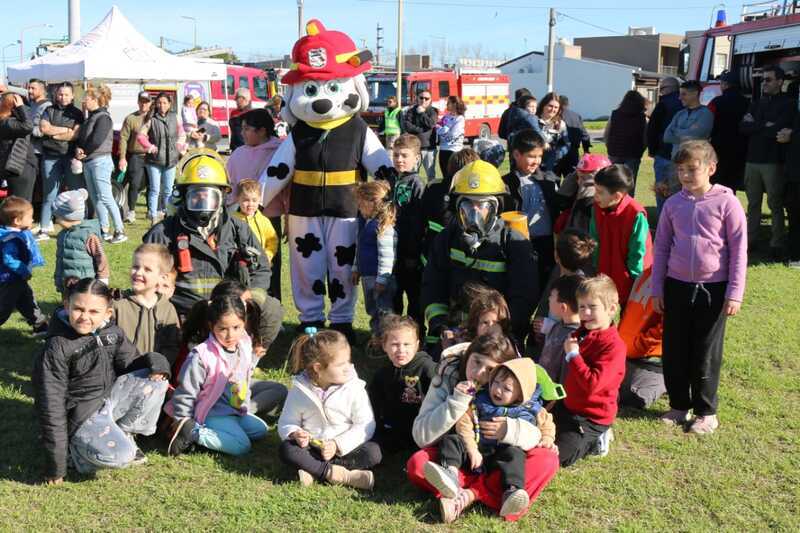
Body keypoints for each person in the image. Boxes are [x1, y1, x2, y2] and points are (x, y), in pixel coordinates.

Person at [407, 331, 559, 523]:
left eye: (489, 370)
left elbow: (541, 426)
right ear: (468, 355)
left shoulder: (518, 382)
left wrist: (510, 430)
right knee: (418, 464)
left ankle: (468, 495)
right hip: (462, 458)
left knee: (547, 460)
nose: (479, 373)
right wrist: (457, 401)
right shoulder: (448, 374)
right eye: (476, 362)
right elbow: (421, 437)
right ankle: (475, 490)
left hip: (501, 463)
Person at [33, 278, 171, 484]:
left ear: (107, 313)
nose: (84, 317)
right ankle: (76, 454)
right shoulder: (57, 347)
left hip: (109, 399)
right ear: (66, 305)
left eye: (94, 312)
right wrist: (56, 466)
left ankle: (124, 434)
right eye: (78, 309)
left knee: (157, 383)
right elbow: (51, 406)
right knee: (122, 457)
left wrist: (157, 362)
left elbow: (131, 364)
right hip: (81, 414)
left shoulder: (112, 332)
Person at [652, 140, 747, 434]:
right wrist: (658, 289)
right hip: (676, 286)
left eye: (692, 169)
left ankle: (706, 411)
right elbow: (662, 248)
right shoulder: (672, 204)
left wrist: (734, 292)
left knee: (705, 351)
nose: (685, 176)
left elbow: (739, 250)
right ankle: (680, 405)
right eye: (680, 170)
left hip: (714, 290)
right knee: (675, 348)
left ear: (711, 168)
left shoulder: (727, 202)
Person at [143, 150, 282, 331]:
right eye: (196, 196)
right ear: (183, 197)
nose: (203, 202)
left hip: (228, 313)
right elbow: (145, 275)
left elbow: (261, 268)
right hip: (181, 315)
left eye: (210, 196)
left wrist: (249, 298)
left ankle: (252, 352)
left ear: (223, 196)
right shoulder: (164, 232)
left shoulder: (238, 230)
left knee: (271, 308)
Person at [421, 160, 538, 350]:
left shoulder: (513, 243)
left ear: (496, 208)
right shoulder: (447, 238)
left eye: (482, 205)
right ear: (457, 208)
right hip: (454, 332)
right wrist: (441, 326)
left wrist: (499, 329)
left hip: (497, 335)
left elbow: (524, 297)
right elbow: (432, 284)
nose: (474, 212)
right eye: (467, 205)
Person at [278, 328, 381, 489]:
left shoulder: (354, 387)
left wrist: (337, 445)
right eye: (340, 364)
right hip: (313, 448)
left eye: (348, 361)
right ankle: (343, 476)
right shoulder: (300, 390)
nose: (348, 367)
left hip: (344, 450)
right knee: (287, 449)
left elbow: (365, 424)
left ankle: (312, 470)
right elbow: (287, 421)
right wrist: (295, 433)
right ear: (318, 368)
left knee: (373, 452)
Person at [166, 295, 268, 457]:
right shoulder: (202, 355)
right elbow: (186, 392)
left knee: (261, 430)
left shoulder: (244, 344)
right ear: (211, 326)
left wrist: (244, 407)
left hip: (235, 411)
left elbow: (245, 379)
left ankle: (223, 432)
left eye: (236, 327)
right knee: (242, 445)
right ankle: (193, 433)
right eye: (223, 329)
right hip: (212, 413)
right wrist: (182, 421)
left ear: (244, 323)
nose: (230, 335)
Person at [556, 275, 626, 466]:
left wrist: (573, 356)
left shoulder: (614, 347)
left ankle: (597, 439)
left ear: (611, 309)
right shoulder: (582, 333)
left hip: (591, 417)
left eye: (592, 307)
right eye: (581, 307)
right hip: (569, 405)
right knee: (538, 434)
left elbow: (593, 385)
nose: (585, 313)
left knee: (561, 457)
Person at [225, 109, 284, 301]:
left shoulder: (280, 151)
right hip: (238, 217)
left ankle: (271, 305)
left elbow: (287, 187)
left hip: (268, 217)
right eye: (242, 128)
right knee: (240, 265)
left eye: (247, 129)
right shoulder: (238, 153)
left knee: (269, 265)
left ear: (262, 131)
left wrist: (290, 215)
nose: (242, 133)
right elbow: (230, 185)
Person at [740, 65, 796, 259]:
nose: (764, 83)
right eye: (763, 79)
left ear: (780, 82)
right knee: (753, 203)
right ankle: (750, 240)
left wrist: (757, 125)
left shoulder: (788, 104)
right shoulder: (756, 103)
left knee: (775, 203)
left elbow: (776, 130)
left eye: (769, 79)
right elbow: (743, 127)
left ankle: (776, 243)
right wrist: (765, 126)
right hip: (752, 160)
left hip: (773, 161)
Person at [367, 314, 436, 452]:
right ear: (384, 346)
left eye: (407, 344)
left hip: (423, 431)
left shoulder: (427, 368)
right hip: (393, 429)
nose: (401, 350)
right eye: (394, 344)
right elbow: (373, 403)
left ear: (417, 345)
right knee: (372, 449)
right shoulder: (383, 374)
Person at [590, 164, 652, 308]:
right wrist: (595, 265)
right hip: (603, 273)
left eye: (599, 192)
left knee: (627, 318)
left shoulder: (635, 214)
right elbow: (594, 239)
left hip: (630, 278)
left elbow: (638, 251)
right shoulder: (597, 208)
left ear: (617, 195)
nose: (595, 195)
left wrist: (635, 280)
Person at [503, 129, 560, 282]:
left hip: (546, 243)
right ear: (516, 155)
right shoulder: (505, 184)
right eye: (531, 156)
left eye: (539, 156)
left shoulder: (548, 180)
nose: (536, 161)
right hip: (519, 243)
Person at [112, 243, 180, 366]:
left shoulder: (167, 309)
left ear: (162, 277)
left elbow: (172, 346)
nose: (138, 272)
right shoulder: (118, 305)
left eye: (147, 269)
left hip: (157, 377)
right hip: (123, 375)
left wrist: (161, 366)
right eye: (135, 267)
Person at [75, 84, 127, 243]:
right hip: (89, 161)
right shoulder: (90, 117)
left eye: (87, 98)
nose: (84, 101)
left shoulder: (104, 117)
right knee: (96, 197)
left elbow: (97, 139)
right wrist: (79, 150)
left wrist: (83, 152)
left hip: (100, 161)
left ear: (96, 100)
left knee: (105, 196)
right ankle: (104, 230)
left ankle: (120, 230)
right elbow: (83, 138)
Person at [420, 148, 479, 270]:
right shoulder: (472, 194)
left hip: (431, 252)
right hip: (458, 259)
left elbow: (422, 218)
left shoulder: (433, 186)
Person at [390, 134, 426, 331]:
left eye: (404, 155)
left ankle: (416, 334)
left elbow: (418, 223)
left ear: (416, 158)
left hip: (409, 252)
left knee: (414, 297)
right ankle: (394, 334)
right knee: (393, 296)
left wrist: (413, 253)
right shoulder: (391, 179)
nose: (399, 160)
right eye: (396, 155)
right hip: (392, 250)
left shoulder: (417, 185)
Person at [617, 267, 666, 410]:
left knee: (635, 398)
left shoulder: (676, 279)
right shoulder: (646, 273)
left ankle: (668, 382)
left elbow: (668, 330)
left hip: (649, 359)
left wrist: (638, 346)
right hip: (626, 354)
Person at [353, 180, 397, 334]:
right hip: (368, 277)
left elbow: (387, 256)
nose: (358, 207)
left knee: (384, 311)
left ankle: (386, 338)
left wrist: (382, 279)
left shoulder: (383, 227)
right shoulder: (366, 223)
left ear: (372, 203)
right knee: (373, 310)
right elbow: (360, 249)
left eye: (360, 203)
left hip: (378, 279)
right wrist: (356, 268)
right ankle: (376, 336)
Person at [0, 196, 47, 334]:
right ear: (17, 221)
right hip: (9, 279)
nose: (33, 219)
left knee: (26, 300)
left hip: (16, 280)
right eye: (30, 217)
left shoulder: (15, 233)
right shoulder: (10, 239)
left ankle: (40, 325)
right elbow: (9, 259)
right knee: (4, 308)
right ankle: (40, 324)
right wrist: (24, 271)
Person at [138, 92, 186, 226]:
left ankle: (167, 214)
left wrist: (179, 146)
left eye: (165, 102)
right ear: (156, 104)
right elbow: (141, 136)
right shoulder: (151, 118)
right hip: (154, 160)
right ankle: (153, 216)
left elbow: (182, 134)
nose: (162, 105)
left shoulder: (175, 117)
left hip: (171, 160)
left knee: (168, 190)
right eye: (159, 102)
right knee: (154, 189)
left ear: (170, 104)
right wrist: (149, 146)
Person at [661, 80, 714, 201]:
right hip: (676, 163)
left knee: (694, 198)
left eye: (684, 94)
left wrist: (678, 132)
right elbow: (667, 136)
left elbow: (696, 135)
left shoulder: (706, 114)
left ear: (695, 94)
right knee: (675, 197)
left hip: (695, 165)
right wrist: (687, 133)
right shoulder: (679, 114)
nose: (680, 98)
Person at [52, 189, 109, 295]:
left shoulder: (89, 236)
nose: (56, 220)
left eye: (58, 217)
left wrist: (103, 279)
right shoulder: (63, 234)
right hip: (67, 282)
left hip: (84, 284)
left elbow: (101, 258)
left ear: (69, 217)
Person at [646, 77, 683, 215]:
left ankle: (663, 218)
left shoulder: (664, 104)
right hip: (681, 155)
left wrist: (652, 150)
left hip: (663, 153)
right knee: (678, 189)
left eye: (662, 89)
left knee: (661, 188)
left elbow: (652, 129)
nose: (660, 92)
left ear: (669, 88)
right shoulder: (685, 104)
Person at [537, 274, 584, 382]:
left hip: (552, 395)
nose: (549, 299)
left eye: (552, 296)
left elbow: (565, 376)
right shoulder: (559, 325)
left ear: (563, 307)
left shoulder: (573, 339)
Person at [708, 70, 749, 192]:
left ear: (725, 85)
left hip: (718, 148)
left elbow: (708, 123)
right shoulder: (747, 102)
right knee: (732, 185)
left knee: (716, 184)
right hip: (740, 149)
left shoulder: (716, 102)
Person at [554, 153, 612, 234]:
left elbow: (561, 201)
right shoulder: (586, 195)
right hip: (582, 239)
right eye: (580, 176)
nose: (579, 180)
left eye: (583, 177)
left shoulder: (581, 193)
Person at [441, 286, 513, 349]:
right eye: (485, 323)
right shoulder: (463, 346)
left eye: (496, 323)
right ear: (476, 324)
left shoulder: (508, 349)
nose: (490, 327)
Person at [118, 91, 152, 224]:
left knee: (152, 184)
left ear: (150, 103)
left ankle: (152, 211)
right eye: (141, 101)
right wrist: (122, 157)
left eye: (146, 101)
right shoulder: (131, 118)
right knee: (135, 183)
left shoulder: (154, 118)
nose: (144, 104)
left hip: (152, 156)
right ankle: (131, 211)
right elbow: (123, 139)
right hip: (136, 155)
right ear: (138, 102)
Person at [604, 90, 647, 191]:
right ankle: (628, 203)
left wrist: (609, 148)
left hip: (615, 151)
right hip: (633, 153)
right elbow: (645, 138)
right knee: (629, 181)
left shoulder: (615, 114)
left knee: (613, 180)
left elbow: (607, 133)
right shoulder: (641, 117)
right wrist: (641, 150)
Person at [0, 92, 37, 202]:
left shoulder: (7, 121)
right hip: (19, 167)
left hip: (17, 166)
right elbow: (28, 126)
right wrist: (20, 107)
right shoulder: (7, 123)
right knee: (21, 204)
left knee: (17, 203)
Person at [233, 179, 278, 266]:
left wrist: (267, 255)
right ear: (238, 199)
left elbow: (272, 240)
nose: (250, 204)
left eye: (254, 200)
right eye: (246, 200)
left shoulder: (263, 221)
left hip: (260, 265)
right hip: (238, 265)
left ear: (259, 200)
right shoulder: (232, 219)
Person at [778, 109, 800, 268]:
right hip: (794, 173)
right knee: (794, 212)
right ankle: (794, 252)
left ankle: (796, 256)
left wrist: (792, 135)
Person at [403, 89, 439, 179]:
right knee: (412, 173)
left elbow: (431, 124)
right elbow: (407, 126)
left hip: (429, 148)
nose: (423, 100)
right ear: (417, 98)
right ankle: (414, 192)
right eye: (421, 98)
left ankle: (430, 192)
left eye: (427, 98)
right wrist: (422, 129)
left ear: (430, 100)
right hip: (415, 147)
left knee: (430, 174)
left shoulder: (433, 111)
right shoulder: (411, 111)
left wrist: (422, 113)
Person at [26, 79, 50, 205]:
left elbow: (44, 130)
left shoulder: (47, 106)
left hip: (40, 152)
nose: (29, 91)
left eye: (33, 88)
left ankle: (40, 212)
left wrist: (25, 130)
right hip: (29, 150)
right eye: (29, 88)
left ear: (42, 90)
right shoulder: (32, 104)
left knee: (40, 183)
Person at [556, 95, 591, 177]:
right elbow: (584, 134)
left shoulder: (555, 115)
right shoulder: (576, 115)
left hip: (558, 151)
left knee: (554, 179)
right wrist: (586, 150)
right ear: (568, 104)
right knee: (572, 180)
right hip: (573, 151)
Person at [534, 92, 570, 173]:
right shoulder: (533, 120)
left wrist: (557, 154)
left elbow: (566, 144)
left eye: (556, 107)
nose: (553, 109)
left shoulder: (560, 124)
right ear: (543, 105)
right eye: (550, 106)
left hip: (552, 167)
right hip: (534, 165)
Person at [436, 96, 466, 177]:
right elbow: (437, 127)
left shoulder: (460, 118)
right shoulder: (446, 116)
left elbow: (453, 135)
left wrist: (442, 130)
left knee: (454, 176)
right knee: (445, 175)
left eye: (448, 103)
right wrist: (444, 130)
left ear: (454, 104)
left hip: (454, 150)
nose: (446, 105)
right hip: (443, 149)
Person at [228, 88, 252, 152]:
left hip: (247, 148)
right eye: (236, 100)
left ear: (245, 99)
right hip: (235, 147)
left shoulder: (252, 113)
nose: (236, 101)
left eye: (237, 99)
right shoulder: (233, 113)